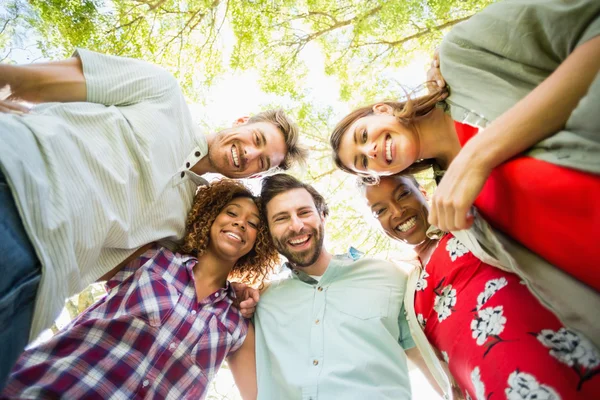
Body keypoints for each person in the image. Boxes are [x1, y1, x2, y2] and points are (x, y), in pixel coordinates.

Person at [0, 49, 307, 385]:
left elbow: (188, 276)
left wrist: (237, 289)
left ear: (251, 177)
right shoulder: (162, 93)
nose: (249, 153)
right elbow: (27, 82)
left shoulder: (188, 219)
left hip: (39, 291)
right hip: (14, 188)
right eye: (257, 139)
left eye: (261, 162)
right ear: (241, 122)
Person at [329, 0, 600, 292]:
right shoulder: (452, 207)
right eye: (363, 163)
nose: (369, 151)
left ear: (381, 109)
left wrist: (478, 155)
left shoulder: (461, 57)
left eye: (363, 136)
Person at [2, 179, 279, 399]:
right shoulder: (150, 259)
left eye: (253, 224)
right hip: (52, 388)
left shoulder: (237, 321)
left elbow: (261, 395)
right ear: (209, 218)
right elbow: (65, 265)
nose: (240, 223)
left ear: (258, 243)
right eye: (231, 213)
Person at [361, 174, 600, 399]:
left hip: (546, 355)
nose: (397, 211)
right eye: (380, 210)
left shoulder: (467, 224)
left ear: (422, 191)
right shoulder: (407, 286)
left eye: (403, 194)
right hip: (488, 387)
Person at [238, 173, 438, 399]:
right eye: (281, 218)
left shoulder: (388, 276)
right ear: (269, 232)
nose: (296, 225)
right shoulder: (259, 302)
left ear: (322, 216)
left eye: (304, 212)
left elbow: (426, 359)